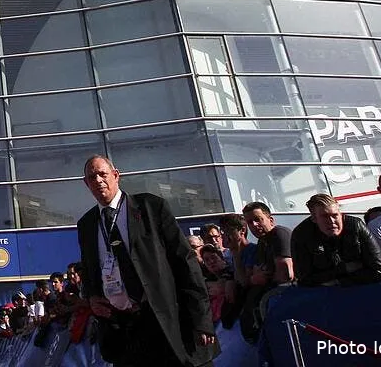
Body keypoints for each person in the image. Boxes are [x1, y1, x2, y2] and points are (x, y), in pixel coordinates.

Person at [78, 155, 217, 366]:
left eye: (102, 174)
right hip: (124, 330)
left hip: (167, 320)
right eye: (91, 177)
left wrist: (201, 320)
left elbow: (185, 263)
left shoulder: (151, 207)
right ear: (86, 183)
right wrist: (92, 297)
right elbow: (89, 271)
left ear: (116, 176)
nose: (98, 180)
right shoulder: (86, 224)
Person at [290, 193, 381, 287]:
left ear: (341, 214)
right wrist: (344, 269)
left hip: (361, 289)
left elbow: (379, 270)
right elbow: (304, 279)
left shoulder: (356, 226)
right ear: (314, 219)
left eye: (335, 215)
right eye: (325, 216)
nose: (331, 221)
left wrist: (339, 282)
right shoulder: (302, 235)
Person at [237, 201, 292, 344]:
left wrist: (262, 277)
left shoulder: (280, 234)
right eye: (250, 222)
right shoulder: (262, 242)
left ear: (270, 219)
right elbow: (254, 275)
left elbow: (286, 275)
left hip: (285, 295)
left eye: (258, 219)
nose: (254, 225)